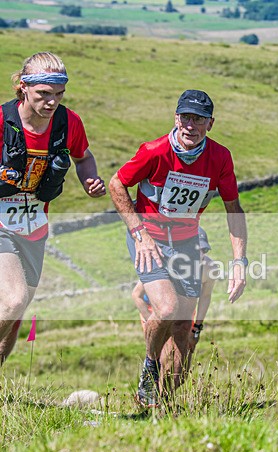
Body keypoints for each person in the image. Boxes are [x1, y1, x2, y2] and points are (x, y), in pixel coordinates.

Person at [109, 90, 247, 408]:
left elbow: (234, 209)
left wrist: (240, 262)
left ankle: (163, 403)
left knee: (183, 327)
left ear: (210, 123)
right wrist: (138, 233)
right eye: (185, 117)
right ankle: (149, 367)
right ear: (176, 118)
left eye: (198, 119)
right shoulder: (153, 151)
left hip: (186, 242)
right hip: (149, 240)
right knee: (167, 308)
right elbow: (117, 183)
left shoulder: (220, 157)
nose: (190, 126)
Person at [0, 52, 106, 364]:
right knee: (14, 300)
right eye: (44, 93)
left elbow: (83, 158)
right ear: (23, 87)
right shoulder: (3, 121)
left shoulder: (68, 122)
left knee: (16, 314)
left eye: (59, 94)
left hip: (33, 227)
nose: (52, 102)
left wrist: (90, 180)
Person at [132, 226, 216, 360]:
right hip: (155, 310)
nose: (200, 255)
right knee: (163, 353)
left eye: (204, 250)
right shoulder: (166, 262)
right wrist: (152, 323)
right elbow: (137, 295)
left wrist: (196, 328)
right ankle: (152, 367)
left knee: (185, 350)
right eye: (196, 250)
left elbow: (205, 296)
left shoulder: (209, 268)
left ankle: (180, 374)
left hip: (184, 307)